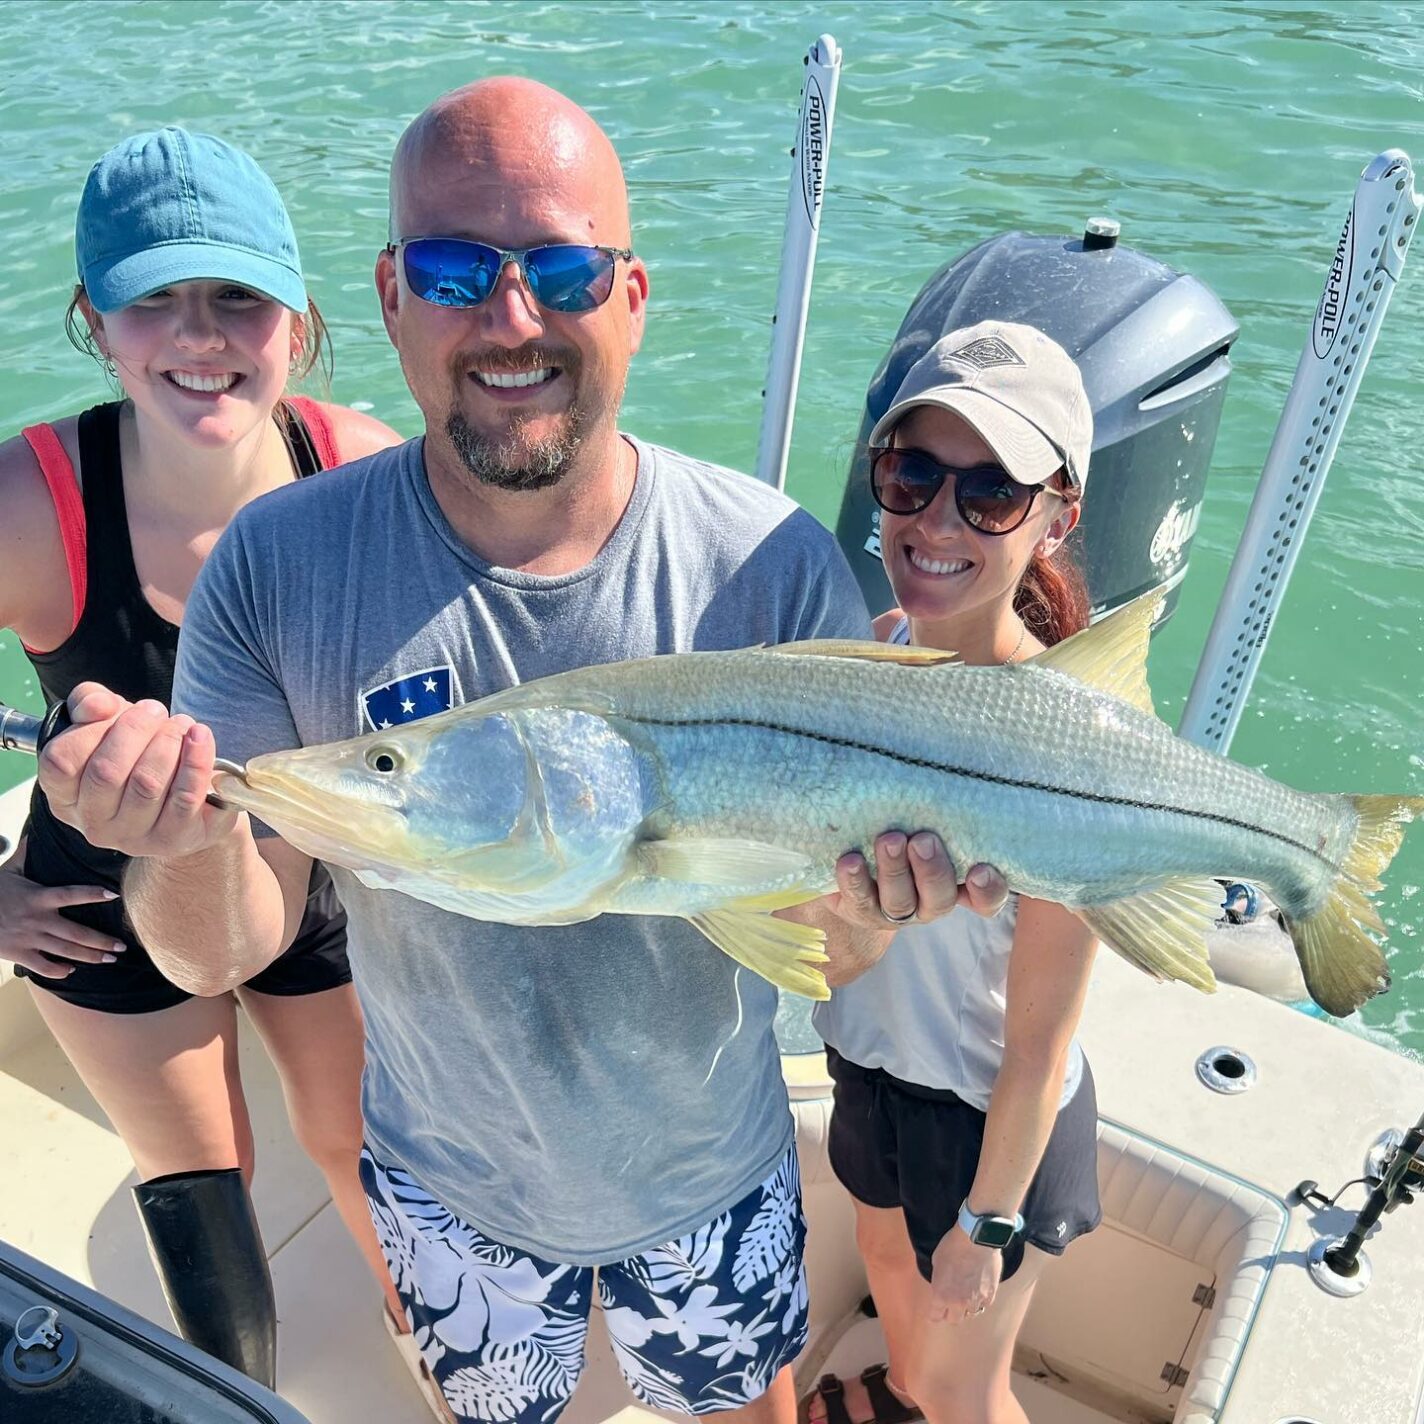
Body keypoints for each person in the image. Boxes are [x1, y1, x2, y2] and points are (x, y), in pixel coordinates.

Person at [33, 82, 1008, 1424]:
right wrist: (190, 840)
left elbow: (824, 953)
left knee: (746, 1407)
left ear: (634, 296)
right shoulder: (272, 567)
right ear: (387, 296)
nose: (511, 318)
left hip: (711, 1167)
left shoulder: (773, 564)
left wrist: (879, 919)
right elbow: (219, 954)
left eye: (564, 268)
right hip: (444, 1178)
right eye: (453, 268)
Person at [0, 127, 403, 1386]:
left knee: (363, 1147)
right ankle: (238, 1403)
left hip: (304, 868)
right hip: (98, 902)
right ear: (95, 321)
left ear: (299, 315)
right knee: (205, 1187)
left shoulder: (362, 468)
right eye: (151, 298)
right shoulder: (32, 502)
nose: (199, 334)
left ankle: (451, 1366)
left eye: (236, 294)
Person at [808, 322, 1103, 1424]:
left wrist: (986, 1224)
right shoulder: (862, 653)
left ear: (1054, 517)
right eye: (911, 474)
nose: (934, 520)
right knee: (890, 1293)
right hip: (867, 1073)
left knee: (963, 1389)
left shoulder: (1076, 744)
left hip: (987, 1127)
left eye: (987, 492)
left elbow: (1038, 1045)